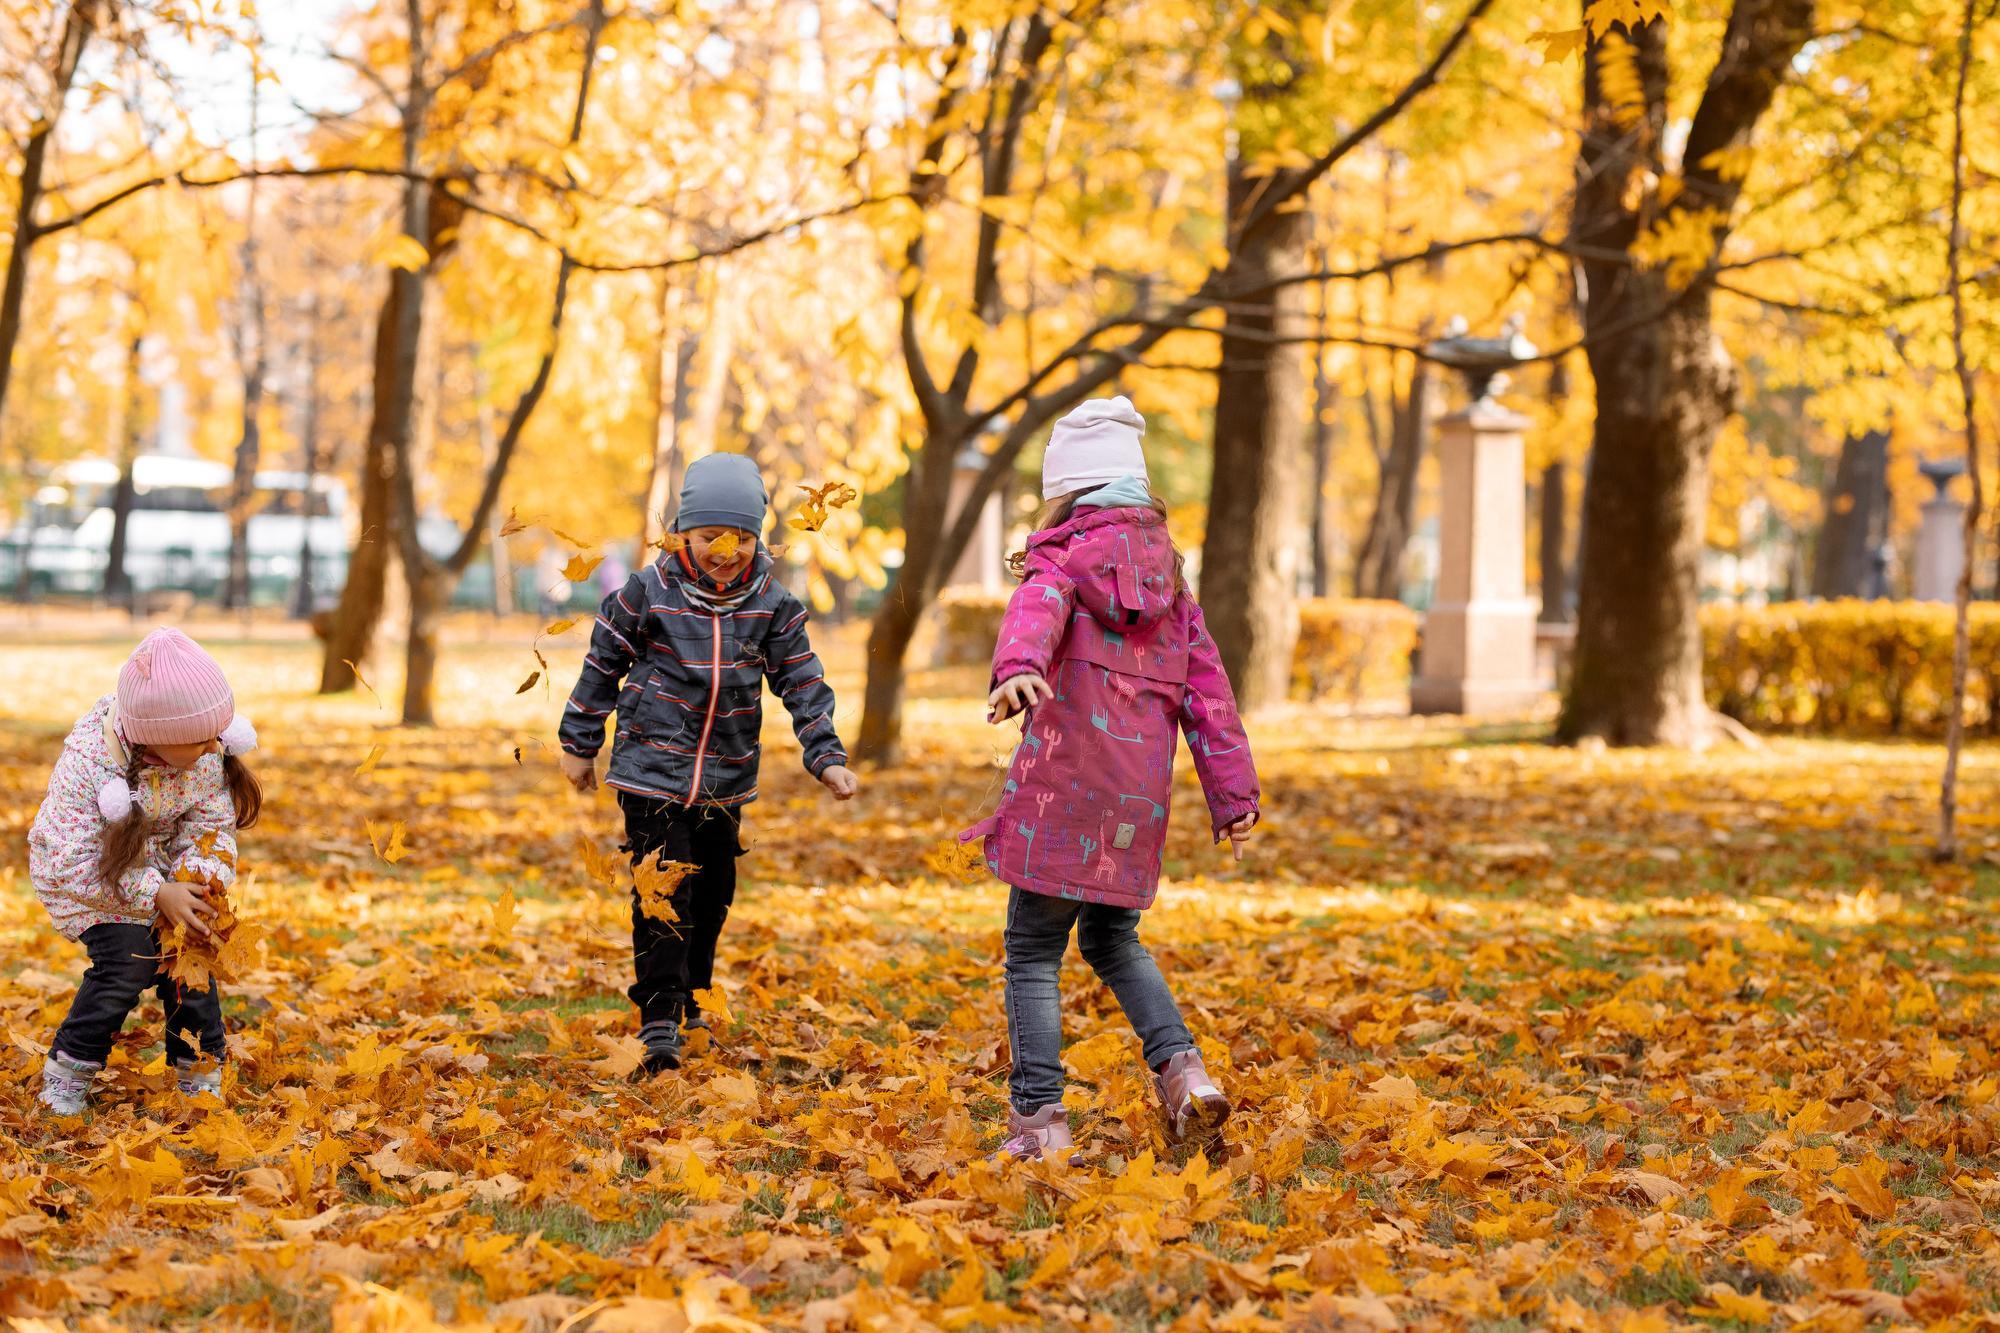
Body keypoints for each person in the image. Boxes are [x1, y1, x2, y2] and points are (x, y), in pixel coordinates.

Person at [961, 397, 1260, 1164]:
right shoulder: (1176, 591)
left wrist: (1019, 668)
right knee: (1113, 936)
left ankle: (1039, 1123)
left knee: (1032, 947)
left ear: (1070, 491)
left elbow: (1037, 606)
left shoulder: (1060, 557)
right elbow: (1211, 697)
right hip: (1136, 799)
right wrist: (1233, 798)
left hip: (1064, 787)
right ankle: (1184, 1073)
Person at [559, 452, 859, 1073]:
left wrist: (825, 756)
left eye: (742, 538)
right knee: (665, 893)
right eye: (709, 538)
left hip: (727, 777)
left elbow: (802, 683)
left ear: (758, 537)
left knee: (713, 893)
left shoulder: (773, 606)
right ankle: (660, 1021)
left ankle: (692, 997)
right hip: (649, 771)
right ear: (682, 534)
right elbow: (601, 667)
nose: (726, 551)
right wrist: (578, 744)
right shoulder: (646, 593)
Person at [31, 628, 263, 1116]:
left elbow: (210, 824)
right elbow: (72, 860)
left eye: (216, 735)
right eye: (201, 739)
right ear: (156, 739)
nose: (212, 747)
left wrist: (197, 881)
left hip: (163, 878)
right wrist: (157, 893)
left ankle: (198, 1071)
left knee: (190, 958)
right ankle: (69, 1072)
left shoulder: (204, 755)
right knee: (128, 962)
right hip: (92, 883)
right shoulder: (91, 764)